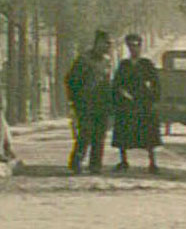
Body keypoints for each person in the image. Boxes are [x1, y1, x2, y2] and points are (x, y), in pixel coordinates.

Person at [110, 32, 160, 173]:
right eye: (131, 45)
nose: (134, 49)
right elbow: (117, 83)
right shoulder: (124, 65)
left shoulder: (146, 64)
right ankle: (123, 160)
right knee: (123, 132)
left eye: (136, 45)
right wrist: (121, 94)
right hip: (126, 103)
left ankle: (152, 162)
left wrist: (154, 99)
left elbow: (156, 83)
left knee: (148, 133)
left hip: (143, 102)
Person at [65, 31, 114, 174]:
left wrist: (110, 103)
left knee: (100, 135)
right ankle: (77, 161)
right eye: (105, 43)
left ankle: (95, 165)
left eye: (109, 44)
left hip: (102, 104)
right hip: (85, 104)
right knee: (85, 133)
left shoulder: (107, 61)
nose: (107, 47)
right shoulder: (84, 60)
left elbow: (107, 83)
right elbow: (71, 80)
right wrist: (74, 101)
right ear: (97, 43)